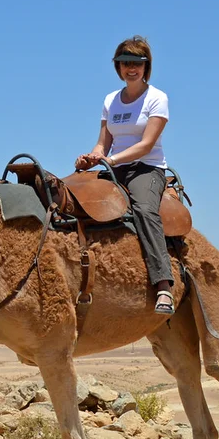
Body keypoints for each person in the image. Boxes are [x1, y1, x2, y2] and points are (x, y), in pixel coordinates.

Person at [75, 35, 175, 315]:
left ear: (146, 66)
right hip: (113, 167)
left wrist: (110, 160)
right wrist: (91, 157)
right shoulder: (110, 100)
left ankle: (163, 285)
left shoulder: (157, 98)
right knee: (74, 199)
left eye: (137, 63)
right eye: (125, 62)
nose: (131, 68)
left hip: (147, 168)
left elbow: (145, 145)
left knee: (144, 210)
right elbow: (103, 142)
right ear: (117, 67)